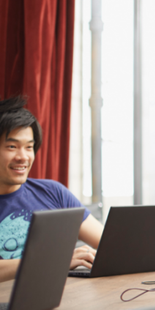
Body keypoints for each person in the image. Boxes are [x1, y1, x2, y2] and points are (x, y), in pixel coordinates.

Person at [0, 96, 103, 283]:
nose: (23, 157)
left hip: (59, 296)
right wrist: (54, 261)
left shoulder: (53, 192)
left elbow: (108, 244)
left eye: (29, 147)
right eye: (12, 147)